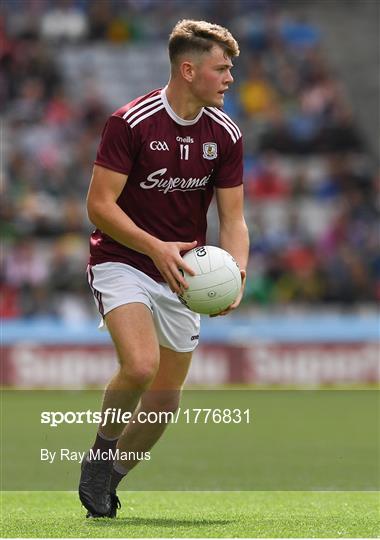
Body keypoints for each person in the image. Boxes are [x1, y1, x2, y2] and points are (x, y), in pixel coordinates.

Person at [79, 19, 249, 518]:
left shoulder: (227, 134)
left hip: (184, 273)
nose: (229, 78)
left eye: (231, 69)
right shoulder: (130, 122)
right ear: (188, 69)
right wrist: (155, 247)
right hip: (123, 258)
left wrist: (237, 272)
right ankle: (101, 451)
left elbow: (234, 218)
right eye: (222, 68)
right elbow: (99, 206)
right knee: (139, 365)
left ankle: (109, 478)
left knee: (165, 401)